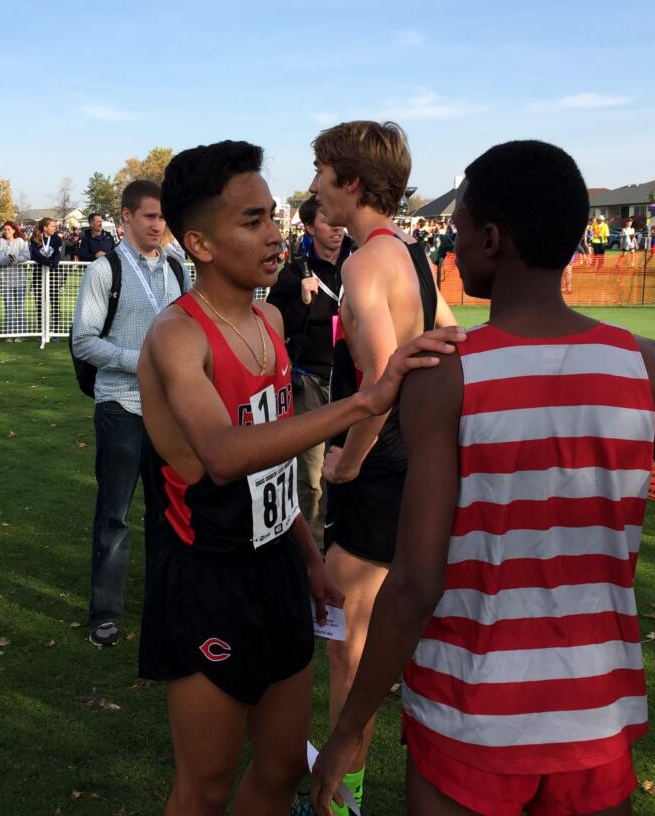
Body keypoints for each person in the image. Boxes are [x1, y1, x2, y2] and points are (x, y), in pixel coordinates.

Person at [312, 139, 655, 816]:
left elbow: (415, 582)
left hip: (462, 721)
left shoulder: (448, 379)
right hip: (594, 724)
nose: (451, 245)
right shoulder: (649, 369)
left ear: (493, 239)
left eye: (459, 229)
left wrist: (350, 727)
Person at [136, 139, 463, 814]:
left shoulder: (267, 320)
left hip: (278, 571)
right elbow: (224, 455)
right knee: (204, 787)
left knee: (284, 769)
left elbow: (272, 470)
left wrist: (309, 557)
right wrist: (367, 400)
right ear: (198, 242)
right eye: (252, 222)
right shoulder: (177, 336)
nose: (276, 234)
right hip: (207, 580)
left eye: (271, 217)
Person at [311, 120, 457, 816]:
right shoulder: (410, 255)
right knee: (358, 633)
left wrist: (347, 463)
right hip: (405, 465)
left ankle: (343, 801)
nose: (312, 185)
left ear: (352, 183)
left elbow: (377, 378)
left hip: (379, 470)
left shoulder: (366, 262)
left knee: (349, 640)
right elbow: (454, 340)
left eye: (320, 170)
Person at [70, 181, 186, 649]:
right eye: (149, 217)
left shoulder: (178, 268)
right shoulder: (105, 270)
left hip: (170, 412)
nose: (158, 225)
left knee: (168, 513)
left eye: (163, 217)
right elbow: (83, 340)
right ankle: (106, 612)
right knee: (115, 514)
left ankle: (165, 604)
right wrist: (139, 359)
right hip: (120, 406)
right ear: (127, 218)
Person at [265, 195, 349, 544]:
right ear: (312, 227)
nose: (338, 230)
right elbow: (275, 326)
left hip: (349, 382)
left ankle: (336, 546)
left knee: (343, 468)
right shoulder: (295, 272)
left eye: (340, 222)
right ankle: (310, 553)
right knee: (310, 475)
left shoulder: (358, 265)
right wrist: (301, 302)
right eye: (330, 223)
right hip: (311, 382)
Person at [0, 221, 30, 340]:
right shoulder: (0, 242)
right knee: (8, 307)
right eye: (5, 229)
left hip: (20, 280)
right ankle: (9, 334)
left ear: (14, 230)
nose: (6, 231)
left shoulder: (20, 242)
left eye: (9, 229)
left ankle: (20, 334)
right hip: (5, 280)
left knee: (20, 307)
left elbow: (27, 256)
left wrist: (16, 259)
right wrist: (7, 260)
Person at [29, 217, 65, 333]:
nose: (55, 228)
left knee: (54, 301)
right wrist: (46, 262)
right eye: (52, 226)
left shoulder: (57, 239)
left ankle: (55, 329)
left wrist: (53, 263)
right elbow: (34, 255)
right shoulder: (35, 238)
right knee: (40, 303)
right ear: (45, 227)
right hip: (39, 274)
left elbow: (57, 254)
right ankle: (41, 329)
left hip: (53, 274)